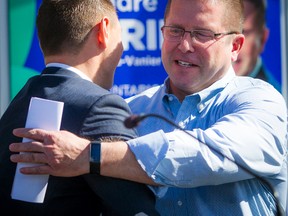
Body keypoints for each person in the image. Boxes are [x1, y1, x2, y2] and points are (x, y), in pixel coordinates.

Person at [9, 0, 287, 215]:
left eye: (202, 34)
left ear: (235, 45)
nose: (185, 45)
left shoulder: (261, 101)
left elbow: (215, 154)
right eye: (175, 31)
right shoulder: (128, 112)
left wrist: (91, 156)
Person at [0, 0, 159, 215]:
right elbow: (139, 210)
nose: (122, 47)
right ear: (103, 30)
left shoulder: (20, 101)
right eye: (122, 36)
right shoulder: (100, 106)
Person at [233, 0, 281, 92]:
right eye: (221, 32)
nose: (230, 44)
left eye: (242, 32)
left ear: (262, 39)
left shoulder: (273, 99)